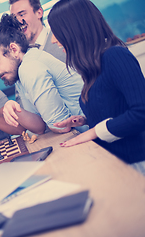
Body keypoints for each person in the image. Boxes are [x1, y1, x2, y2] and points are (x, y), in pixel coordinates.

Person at [47, 0, 145, 171]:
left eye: (56, 32)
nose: (54, 40)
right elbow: (116, 110)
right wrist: (86, 120)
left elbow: (141, 114)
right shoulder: (93, 65)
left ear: (73, 30)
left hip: (134, 165)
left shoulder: (115, 56)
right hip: (112, 163)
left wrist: (92, 132)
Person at [0, 14, 86, 133]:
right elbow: (40, 126)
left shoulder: (30, 67)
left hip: (96, 139)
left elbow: (61, 126)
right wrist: (14, 108)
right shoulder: (20, 71)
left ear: (14, 49)